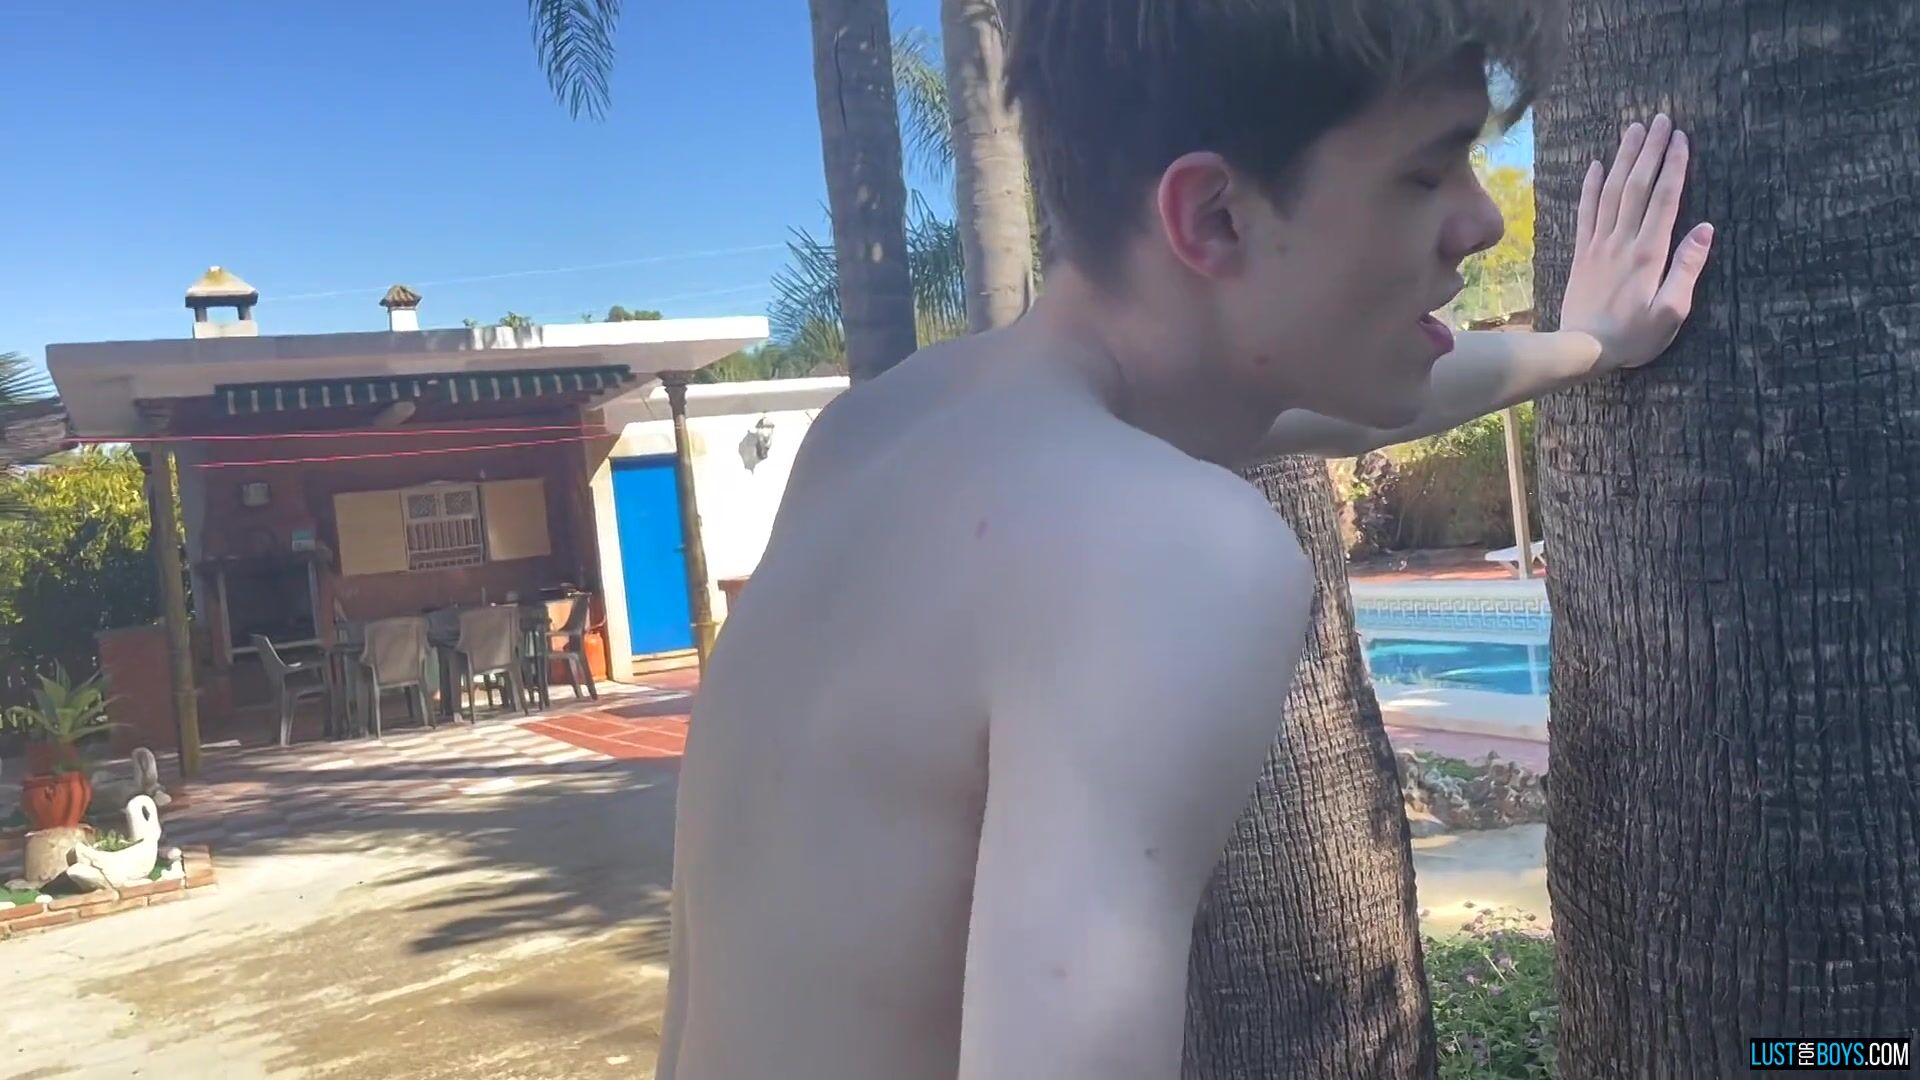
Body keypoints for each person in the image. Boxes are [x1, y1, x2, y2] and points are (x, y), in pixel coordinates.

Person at [656, 2, 1714, 1076]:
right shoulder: (1161, 552)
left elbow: (1374, 402)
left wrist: (1592, 343)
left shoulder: (877, 433)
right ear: (1213, 218)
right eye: (1424, 174)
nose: (1481, 222)